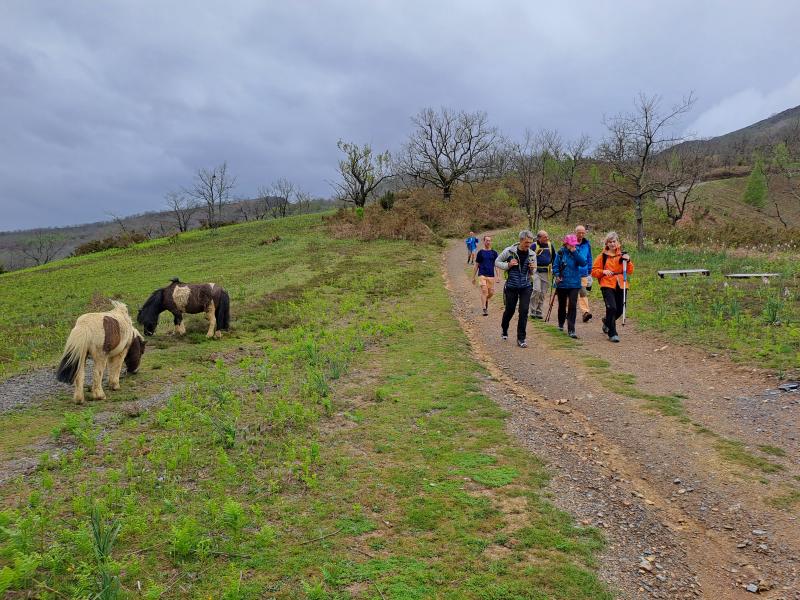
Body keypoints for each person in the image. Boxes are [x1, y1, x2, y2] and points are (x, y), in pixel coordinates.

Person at [591, 231, 633, 343]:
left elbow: (630, 271)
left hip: (621, 283)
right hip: (607, 284)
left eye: (614, 241)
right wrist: (603, 271)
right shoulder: (602, 256)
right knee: (612, 308)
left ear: (617, 242)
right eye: (610, 242)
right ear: (607, 243)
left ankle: (607, 322)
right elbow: (594, 271)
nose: (612, 244)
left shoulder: (623, 255)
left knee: (620, 308)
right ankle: (612, 333)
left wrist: (628, 261)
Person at [495, 230, 535, 348]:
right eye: (527, 242)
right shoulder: (509, 251)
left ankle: (521, 338)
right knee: (510, 310)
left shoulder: (532, 254)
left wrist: (532, 269)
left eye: (530, 242)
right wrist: (508, 265)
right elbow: (497, 262)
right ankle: (504, 328)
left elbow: (533, 272)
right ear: (521, 240)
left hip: (526, 286)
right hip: (511, 286)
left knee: (524, 311)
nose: (528, 245)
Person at [552, 234, 587, 338]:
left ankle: (571, 329)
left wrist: (574, 252)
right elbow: (555, 266)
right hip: (562, 284)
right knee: (562, 305)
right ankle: (561, 323)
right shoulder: (560, 252)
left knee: (572, 305)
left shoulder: (577, 251)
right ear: (566, 243)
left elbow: (583, 263)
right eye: (571, 245)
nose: (573, 246)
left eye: (574, 244)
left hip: (574, 284)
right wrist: (557, 275)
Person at [529, 230, 555, 319]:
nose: (547, 238)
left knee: (543, 293)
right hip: (535, 271)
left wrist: (555, 269)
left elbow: (555, 258)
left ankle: (539, 311)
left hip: (546, 272)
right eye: (545, 237)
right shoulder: (533, 246)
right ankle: (532, 310)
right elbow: (528, 257)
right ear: (539, 238)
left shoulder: (550, 246)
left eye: (547, 237)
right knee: (536, 290)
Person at [472, 235, 500, 316]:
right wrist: (473, 277)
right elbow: (476, 265)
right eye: (487, 240)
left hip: (491, 275)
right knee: (484, 291)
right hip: (482, 275)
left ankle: (485, 299)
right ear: (484, 241)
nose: (488, 242)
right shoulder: (480, 253)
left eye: (489, 240)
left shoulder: (494, 253)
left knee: (491, 293)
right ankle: (484, 308)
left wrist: (498, 276)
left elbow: (496, 265)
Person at [574, 225, 593, 322]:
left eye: (583, 233)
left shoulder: (587, 244)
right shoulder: (570, 243)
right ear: (575, 232)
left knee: (583, 292)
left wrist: (590, 270)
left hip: (583, 272)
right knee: (571, 293)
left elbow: (589, 257)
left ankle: (585, 312)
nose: (581, 234)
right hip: (572, 273)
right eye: (579, 232)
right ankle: (567, 312)